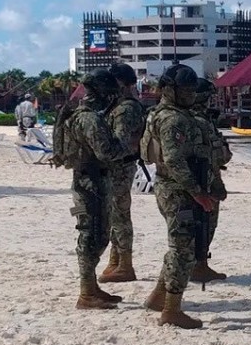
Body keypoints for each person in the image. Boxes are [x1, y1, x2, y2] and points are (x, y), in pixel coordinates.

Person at [141, 64, 217, 329]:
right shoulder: (173, 119)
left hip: (170, 186)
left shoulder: (159, 114)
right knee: (182, 249)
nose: (190, 95)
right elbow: (174, 160)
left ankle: (158, 297)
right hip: (178, 190)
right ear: (170, 90)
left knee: (179, 244)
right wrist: (197, 193)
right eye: (185, 90)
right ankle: (171, 310)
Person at [51, 70, 130, 311]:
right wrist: (126, 145)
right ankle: (86, 292)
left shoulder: (71, 114)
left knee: (93, 232)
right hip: (92, 183)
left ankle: (91, 287)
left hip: (84, 181)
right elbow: (107, 152)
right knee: (92, 235)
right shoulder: (89, 119)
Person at [98, 63, 147, 284]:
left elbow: (122, 143)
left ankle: (125, 264)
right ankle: (116, 259)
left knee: (120, 215)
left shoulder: (126, 108)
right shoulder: (118, 105)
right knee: (114, 215)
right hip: (117, 167)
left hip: (120, 167)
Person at [188, 77, 231, 283]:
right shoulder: (202, 123)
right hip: (206, 180)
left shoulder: (182, 119)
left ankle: (196, 265)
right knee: (205, 225)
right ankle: (199, 266)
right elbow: (220, 155)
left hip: (188, 181)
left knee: (190, 227)